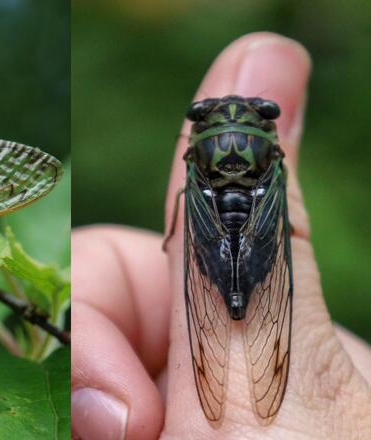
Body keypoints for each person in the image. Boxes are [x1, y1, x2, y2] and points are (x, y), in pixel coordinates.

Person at [71, 32, 371, 439]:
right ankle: (244, 301)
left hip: (208, 222)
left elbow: (183, 194)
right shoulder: (271, 155)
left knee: (185, 192)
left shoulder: (194, 156)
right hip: (261, 225)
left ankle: (226, 300)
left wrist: (177, 230)